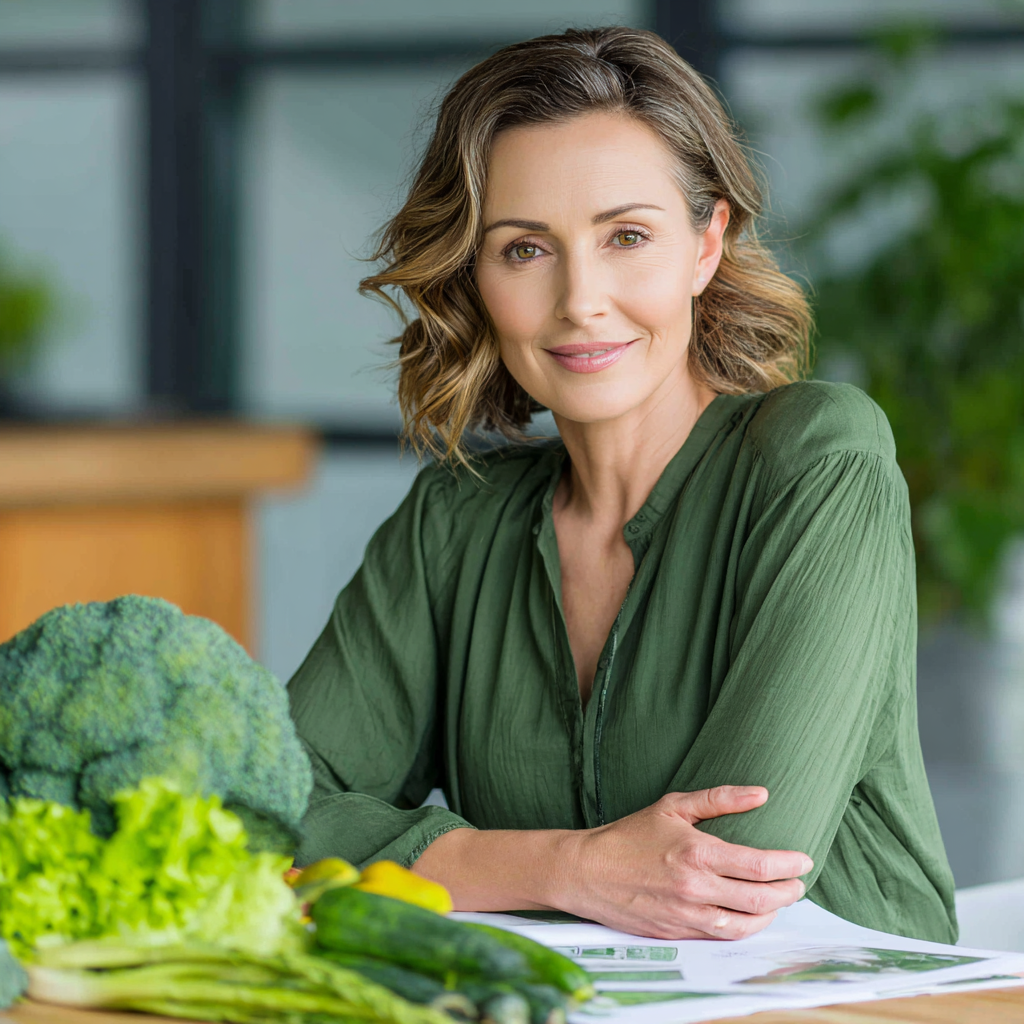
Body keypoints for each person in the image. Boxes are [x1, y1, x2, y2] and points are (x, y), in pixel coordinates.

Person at [287, 26, 957, 944]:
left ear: (706, 244)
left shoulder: (818, 459)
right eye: (525, 249)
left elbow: (729, 872)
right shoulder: (454, 518)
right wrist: (572, 867)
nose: (580, 300)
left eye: (628, 236)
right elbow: (269, 810)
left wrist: (437, 865)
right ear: (474, 275)